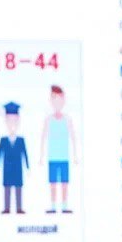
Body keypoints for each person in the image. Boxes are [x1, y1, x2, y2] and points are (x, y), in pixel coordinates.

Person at [39, 85, 79, 214]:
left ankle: (64, 206)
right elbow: (43, 137)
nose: (57, 102)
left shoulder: (67, 120)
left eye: (59, 99)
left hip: (64, 157)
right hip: (52, 157)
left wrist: (75, 155)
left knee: (64, 183)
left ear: (63, 100)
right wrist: (41, 156)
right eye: (54, 99)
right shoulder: (48, 120)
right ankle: (53, 206)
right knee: (53, 183)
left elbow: (73, 137)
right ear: (51, 101)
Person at [0, 102, 29, 214]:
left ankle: (19, 208)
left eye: (14, 120)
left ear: (18, 121)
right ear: (5, 121)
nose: (12, 124)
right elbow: (0, 154)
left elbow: (24, 153)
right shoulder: (3, 140)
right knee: (7, 188)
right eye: (9, 120)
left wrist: (27, 166)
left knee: (18, 187)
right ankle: (7, 208)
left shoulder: (21, 140)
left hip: (18, 167)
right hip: (7, 168)